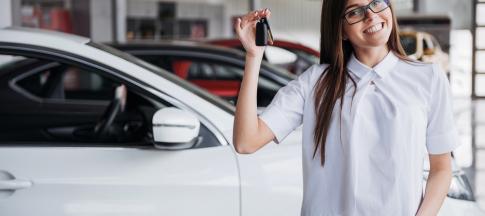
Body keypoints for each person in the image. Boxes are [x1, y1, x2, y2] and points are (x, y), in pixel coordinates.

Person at [233, 0, 459, 215]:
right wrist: (254, 56)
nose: (371, 15)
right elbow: (246, 141)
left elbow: (441, 169)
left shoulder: (428, 78)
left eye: (377, 2)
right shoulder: (315, 82)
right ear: (340, 29)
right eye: (354, 12)